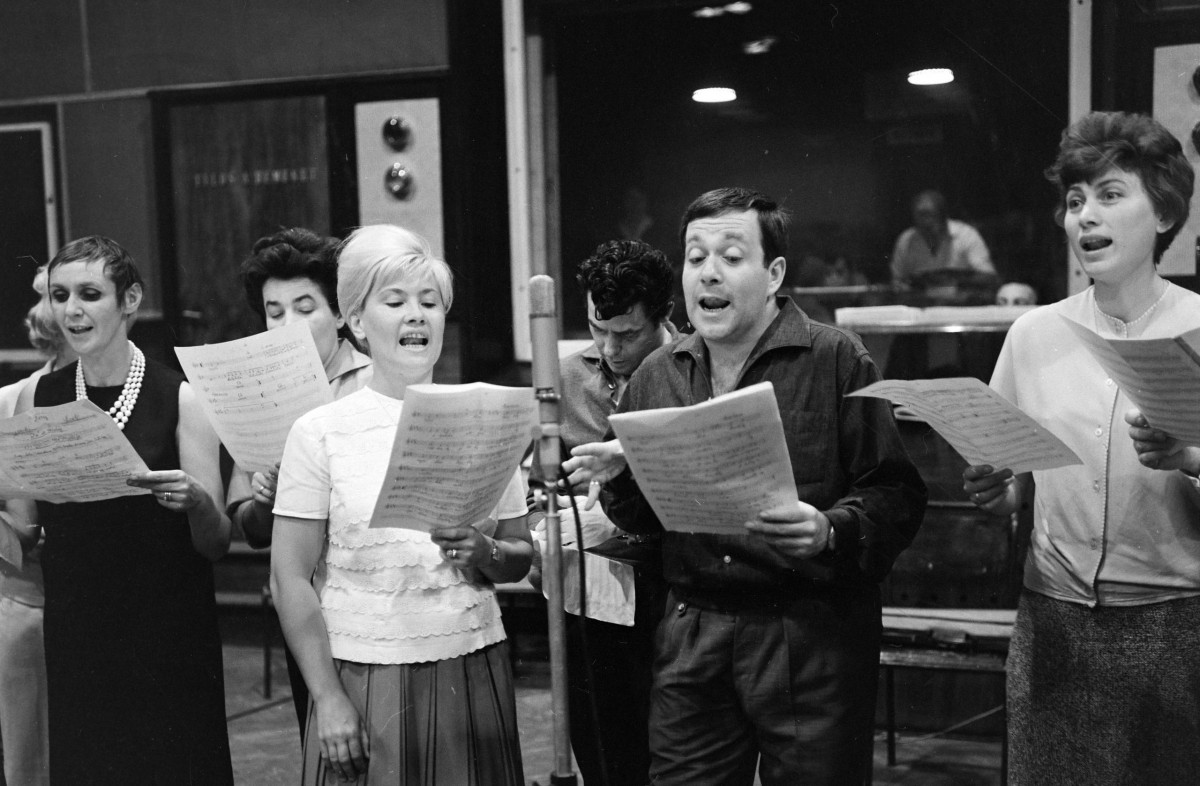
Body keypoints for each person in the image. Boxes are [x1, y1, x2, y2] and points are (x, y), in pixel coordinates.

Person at [565, 187, 928, 785]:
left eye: (731, 257)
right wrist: (622, 475)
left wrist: (830, 529)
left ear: (774, 273)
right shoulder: (657, 374)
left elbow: (896, 492)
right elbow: (643, 521)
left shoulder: (836, 358)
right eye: (695, 257)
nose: (708, 273)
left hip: (812, 631)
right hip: (693, 629)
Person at [962, 111, 1200, 784]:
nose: (1085, 216)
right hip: (1053, 625)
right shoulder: (1034, 334)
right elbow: (1012, 479)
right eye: (1074, 201)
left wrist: (1189, 458)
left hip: (1176, 627)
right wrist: (998, 491)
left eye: (1110, 194)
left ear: (1164, 213)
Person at [270, 224, 533, 784]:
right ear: (357, 321)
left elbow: (518, 554)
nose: (416, 315)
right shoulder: (319, 431)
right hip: (364, 677)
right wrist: (328, 697)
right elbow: (288, 577)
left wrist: (484, 551)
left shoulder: (484, 415)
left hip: (472, 663)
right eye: (395, 302)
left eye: (429, 302)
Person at [7, 236, 233, 783]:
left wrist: (197, 501)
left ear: (130, 300)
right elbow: (27, 531)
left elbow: (217, 541)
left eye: (89, 294)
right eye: (60, 295)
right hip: (80, 625)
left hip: (166, 627)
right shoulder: (40, 395)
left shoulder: (182, 398)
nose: (71, 310)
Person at [532, 238, 677, 786]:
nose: (610, 348)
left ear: (663, 315)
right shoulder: (563, 379)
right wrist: (546, 526)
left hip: (675, 601)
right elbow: (534, 492)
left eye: (628, 334)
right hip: (589, 604)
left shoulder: (694, 372)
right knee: (605, 764)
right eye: (598, 328)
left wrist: (618, 521)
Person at [224, 227, 373, 734]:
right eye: (275, 312)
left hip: (373, 599)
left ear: (341, 313)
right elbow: (250, 529)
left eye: (304, 308)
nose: (287, 325)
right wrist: (266, 499)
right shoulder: (260, 393)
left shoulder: (377, 381)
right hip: (305, 606)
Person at [0, 268, 75, 786]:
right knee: (31, 756)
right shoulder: (10, 401)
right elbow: (21, 526)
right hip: (28, 602)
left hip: (103, 603)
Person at [890, 189, 995, 285]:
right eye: (920, 215)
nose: (925, 222)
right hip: (918, 298)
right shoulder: (906, 240)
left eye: (929, 215)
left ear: (943, 215)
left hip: (961, 297)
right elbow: (897, 280)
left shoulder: (966, 235)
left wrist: (955, 281)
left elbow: (988, 277)